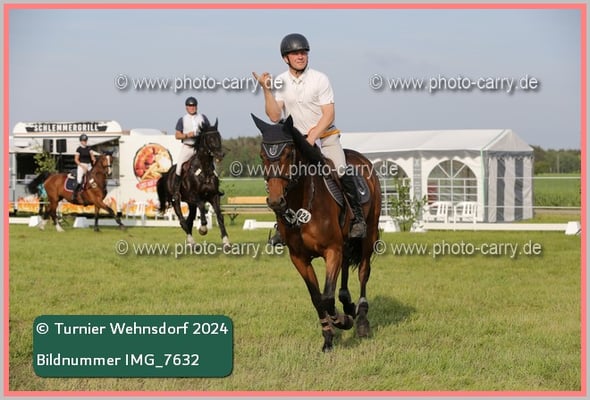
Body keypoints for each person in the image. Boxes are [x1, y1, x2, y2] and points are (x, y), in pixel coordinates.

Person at [253, 33, 366, 238]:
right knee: (282, 176)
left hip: (325, 137)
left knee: (340, 169)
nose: (300, 56)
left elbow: (329, 114)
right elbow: (274, 115)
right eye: (295, 53)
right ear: (286, 58)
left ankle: (357, 218)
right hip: (297, 142)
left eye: (303, 52)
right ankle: (282, 226)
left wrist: (312, 137)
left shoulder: (319, 79)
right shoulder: (281, 81)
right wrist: (266, 90)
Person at [173, 96, 209, 202]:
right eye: (190, 106)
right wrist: (187, 135)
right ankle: (176, 192)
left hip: (200, 148)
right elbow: (177, 135)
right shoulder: (182, 120)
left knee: (211, 165)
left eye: (193, 106)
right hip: (188, 147)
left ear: (196, 107)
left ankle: (214, 187)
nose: (192, 107)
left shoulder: (202, 117)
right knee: (179, 166)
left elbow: (209, 130)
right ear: (186, 107)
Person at [72, 133, 96, 203]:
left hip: (89, 165)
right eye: (83, 141)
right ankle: (75, 194)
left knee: (93, 179)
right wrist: (82, 167)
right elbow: (76, 160)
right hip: (81, 165)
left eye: (85, 140)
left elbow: (92, 156)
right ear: (81, 141)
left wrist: (93, 159)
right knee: (79, 180)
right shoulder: (78, 149)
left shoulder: (89, 148)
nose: (85, 142)